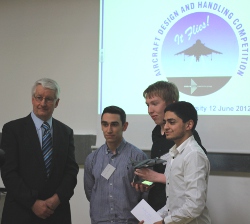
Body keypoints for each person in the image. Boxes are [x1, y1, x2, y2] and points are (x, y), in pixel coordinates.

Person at [0, 78, 79, 224]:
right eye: (39, 98)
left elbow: (71, 171)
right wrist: (32, 203)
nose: (43, 103)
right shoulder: (12, 130)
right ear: (32, 99)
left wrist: (56, 199)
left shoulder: (66, 132)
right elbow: (8, 172)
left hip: (56, 213)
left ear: (57, 103)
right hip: (21, 213)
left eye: (49, 99)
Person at [135, 81, 206, 211]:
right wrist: (147, 182)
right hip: (159, 208)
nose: (150, 110)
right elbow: (161, 169)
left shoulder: (186, 137)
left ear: (172, 104)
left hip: (180, 211)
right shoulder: (156, 132)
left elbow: (191, 176)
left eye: (155, 104)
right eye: (148, 105)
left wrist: (156, 177)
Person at [141, 101, 211, 224]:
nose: (166, 127)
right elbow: (172, 203)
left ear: (189, 125)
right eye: (165, 122)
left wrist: (163, 222)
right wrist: (153, 219)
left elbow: (194, 206)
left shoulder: (193, 155)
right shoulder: (174, 153)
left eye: (171, 122)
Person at [84, 106, 148, 224]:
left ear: (124, 126)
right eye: (105, 124)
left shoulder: (139, 157)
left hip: (129, 221)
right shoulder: (92, 159)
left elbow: (146, 192)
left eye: (114, 124)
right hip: (100, 221)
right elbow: (90, 192)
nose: (109, 130)